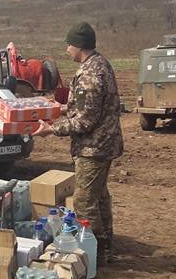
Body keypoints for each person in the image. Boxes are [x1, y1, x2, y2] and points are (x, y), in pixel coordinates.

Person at [33, 21, 123, 264]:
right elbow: (88, 107)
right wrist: (61, 108)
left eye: (69, 45)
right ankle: (105, 245)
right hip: (103, 144)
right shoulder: (100, 64)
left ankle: (94, 252)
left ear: (79, 46)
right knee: (99, 195)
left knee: (83, 200)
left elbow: (85, 121)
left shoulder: (90, 74)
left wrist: (51, 129)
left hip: (94, 148)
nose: (66, 50)